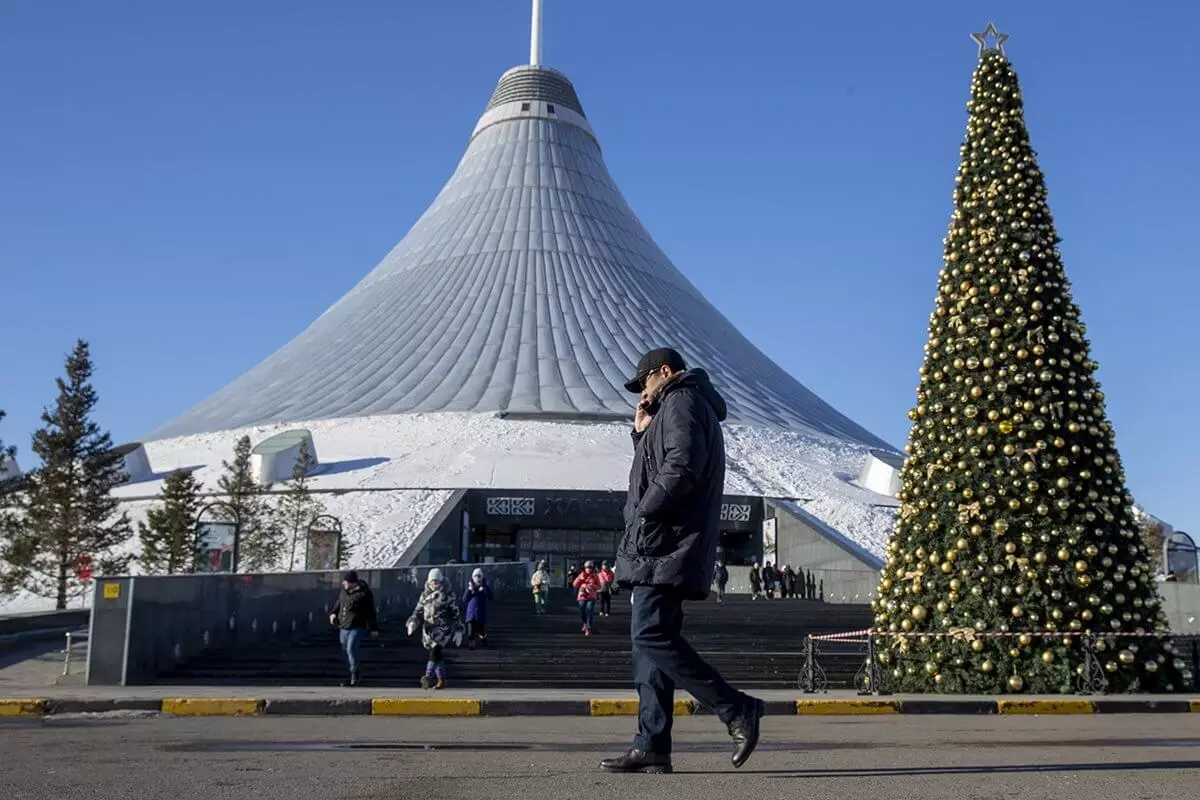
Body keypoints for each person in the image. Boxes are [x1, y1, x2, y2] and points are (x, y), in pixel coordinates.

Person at [605, 347, 764, 774]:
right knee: (649, 647)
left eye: (644, 383)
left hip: (666, 543)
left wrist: (644, 514)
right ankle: (651, 744)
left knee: (651, 635)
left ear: (665, 372)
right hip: (661, 543)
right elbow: (664, 460)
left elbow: (681, 465)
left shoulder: (682, 399)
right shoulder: (673, 407)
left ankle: (737, 709)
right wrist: (641, 434)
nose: (642, 393)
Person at [406, 568, 465, 690]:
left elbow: (455, 613)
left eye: (436, 582)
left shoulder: (448, 595)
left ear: (441, 581)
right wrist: (413, 622)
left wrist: (458, 629)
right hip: (428, 631)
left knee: (434, 653)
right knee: (437, 657)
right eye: (432, 582)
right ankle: (441, 680)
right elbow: (418, 611)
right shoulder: (424, 595)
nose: (434, 584)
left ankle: (428, 676)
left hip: (443, 630)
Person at [328, 570, 379, 687]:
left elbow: (370, 611)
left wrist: (373, 628)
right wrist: (333, 613)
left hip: (357, 625)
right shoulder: (344, 592)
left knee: (351, 648)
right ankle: (350, 673)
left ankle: (355, 675)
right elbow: (338, 604)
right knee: (345, 650)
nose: (343, 584)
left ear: (352, 582)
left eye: (345, 582)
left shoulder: (364, 593)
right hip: (343, 625)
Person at [463, 568, 494, 649]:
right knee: (471, 632)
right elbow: (464, 599)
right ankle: (471, 645)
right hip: (471, 614)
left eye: (479, 576)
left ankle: (484, 639)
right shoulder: (470, 587)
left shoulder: (485, 586)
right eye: (475, 576)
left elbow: (491, 596)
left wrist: (484, 589)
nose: (477, 578)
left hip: (480, 613)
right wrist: (469, 591)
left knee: (481, 631)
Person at [573, 560, 602, 635]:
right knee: (582, 611)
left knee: (590, 611)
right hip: (582, 596)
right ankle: (585, 623)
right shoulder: (581, 575)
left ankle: (588, 628)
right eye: (587, 568)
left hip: (591, 596)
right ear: (584, 568)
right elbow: (574, 585)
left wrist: (592, 586)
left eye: (590, 568)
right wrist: (580, 579)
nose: (589, 569)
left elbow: (599, 586)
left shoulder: (595, 576)